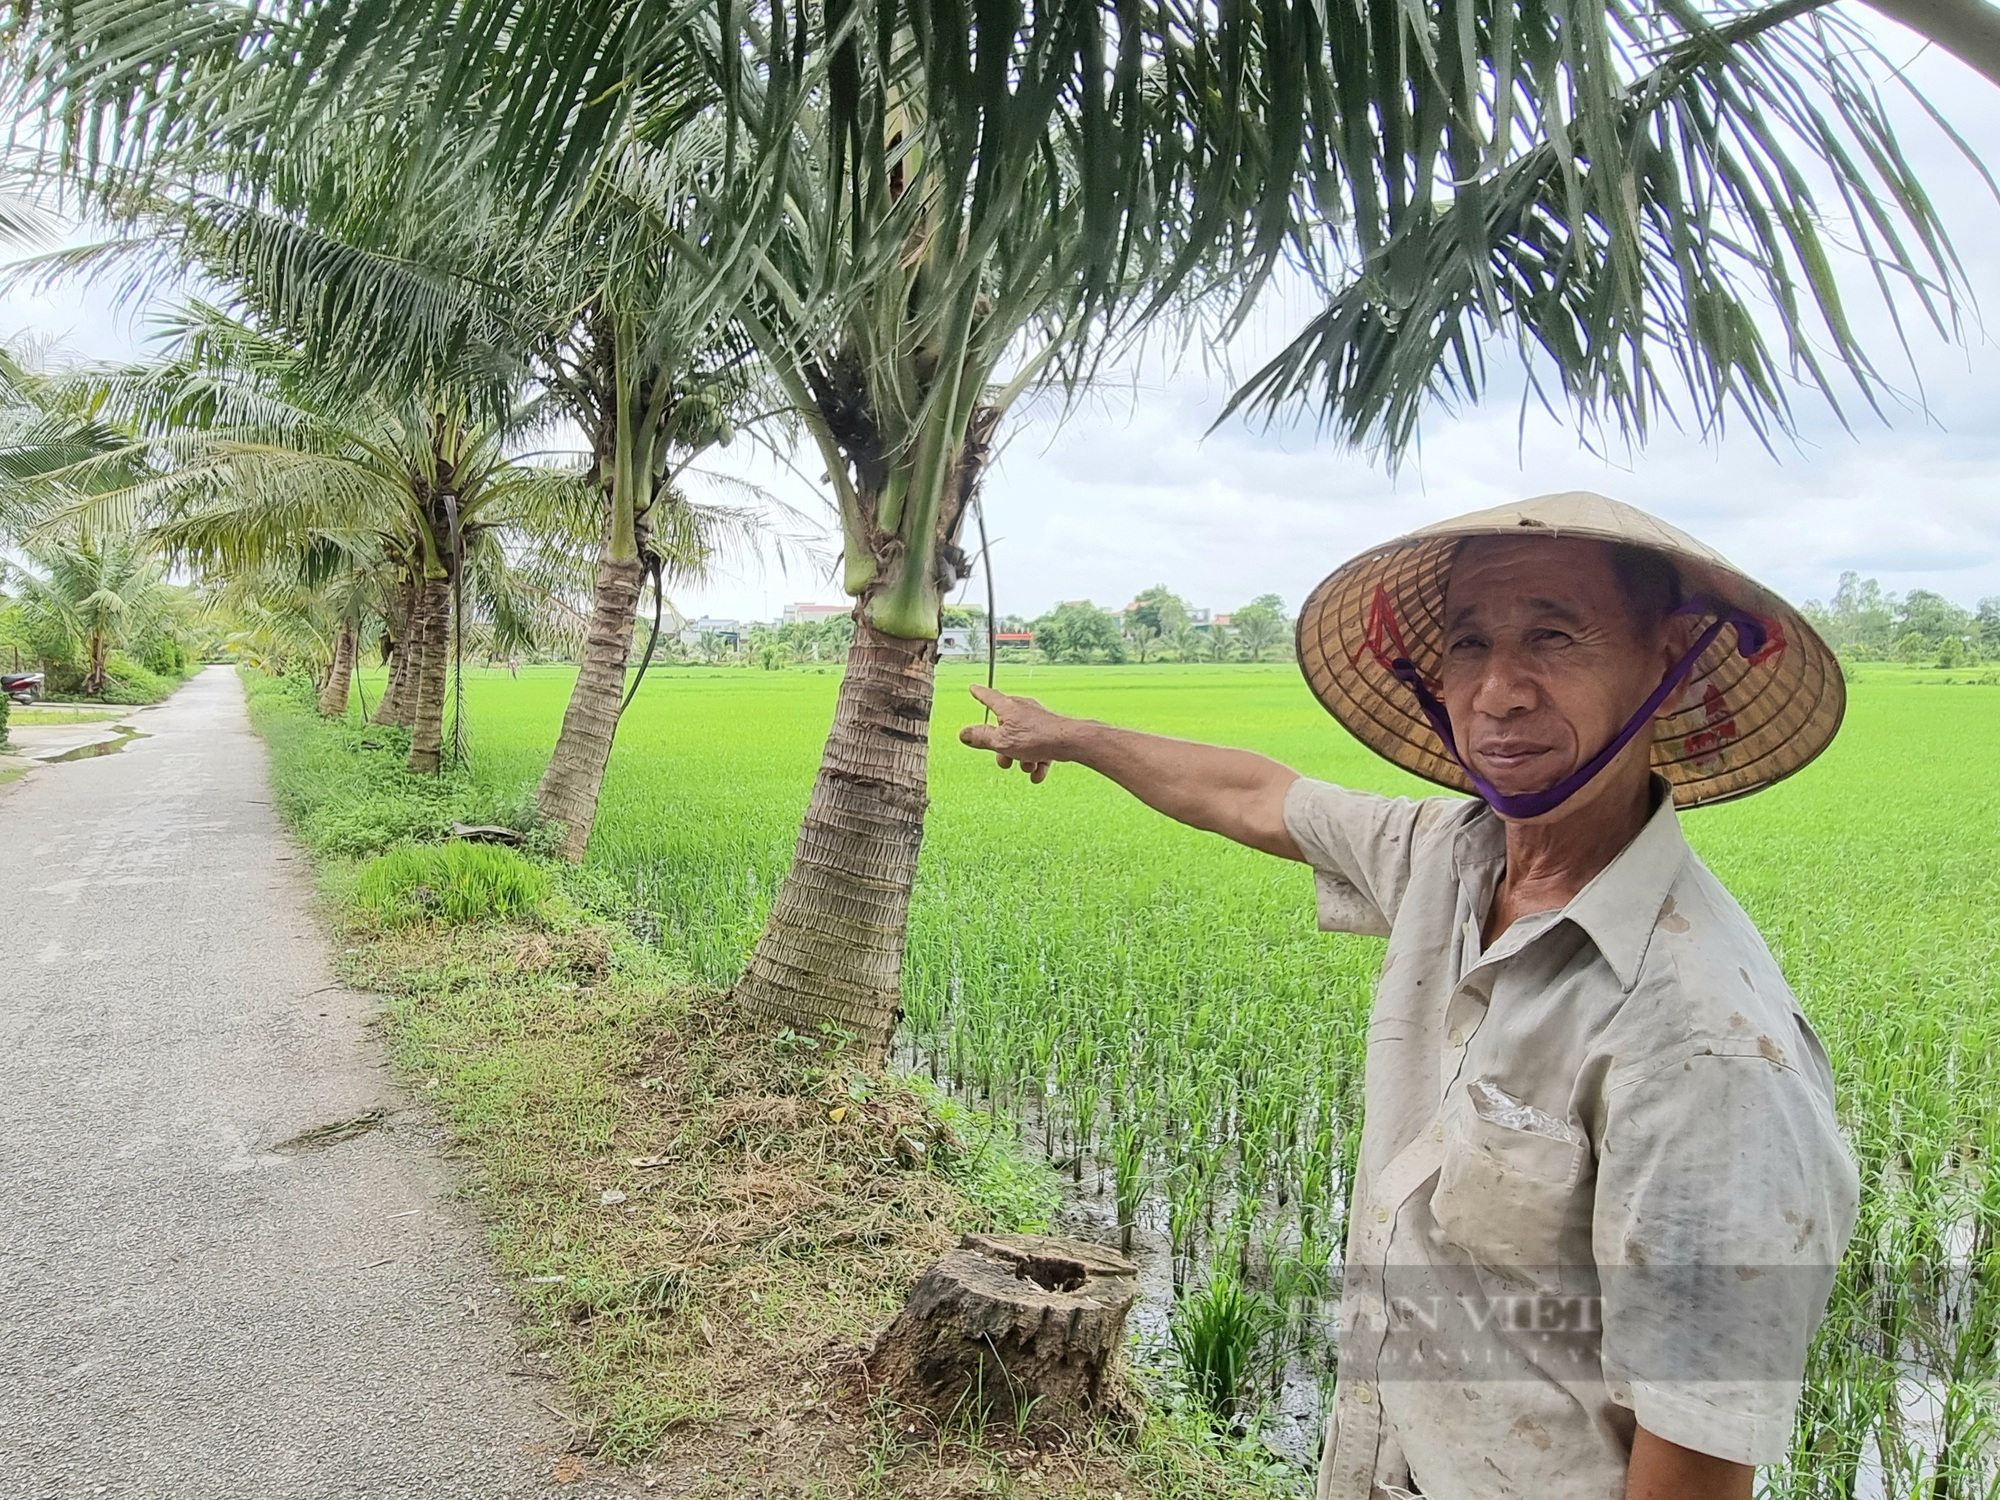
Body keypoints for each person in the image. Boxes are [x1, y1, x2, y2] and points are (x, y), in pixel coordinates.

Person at [960, 493, 1857, 1500]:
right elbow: (1256, 797)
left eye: (1551, 638)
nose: (1498, 691)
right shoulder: (1450, 857)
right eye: (1467, 644)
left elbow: (1692, 1463)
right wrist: (1072, 734)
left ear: (1668, 658)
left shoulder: (1702, 1042)